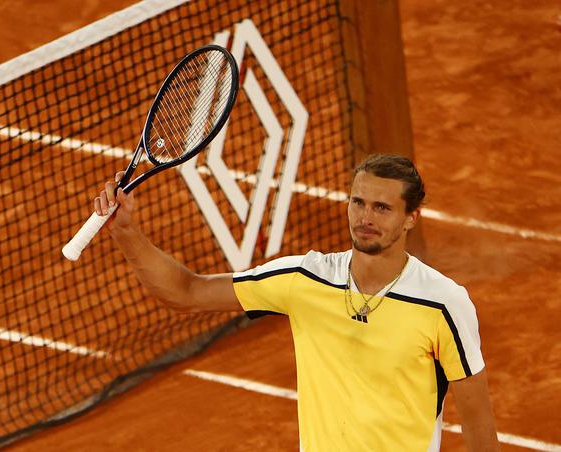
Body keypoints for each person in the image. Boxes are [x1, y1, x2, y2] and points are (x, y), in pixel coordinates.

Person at [94, 153, 500, 451]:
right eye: (358, 203)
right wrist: (126, 232)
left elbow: (478, 428)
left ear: (411, 217)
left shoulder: (443, 304)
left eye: (382, 208)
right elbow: (186, 291)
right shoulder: (304, 280)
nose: (365, 218)